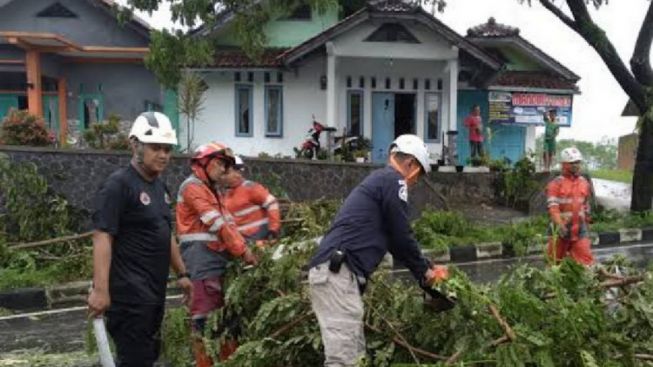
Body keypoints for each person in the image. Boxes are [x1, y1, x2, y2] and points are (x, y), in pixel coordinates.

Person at [307, 134, 450, 366]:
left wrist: (425, 269)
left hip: (339, 275)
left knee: (356, 357)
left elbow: (396, 241)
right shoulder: (393, 180)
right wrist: (425, 273)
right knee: (344, 361)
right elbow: (402, 234)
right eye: (418, 175)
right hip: (338, 273)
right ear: (410, 164)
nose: (415, 182)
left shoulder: (380, 181)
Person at [87, 111, 193, 367]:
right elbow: (102, 237)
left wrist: (182, 274)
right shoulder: (118, 186)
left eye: (167, 149)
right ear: (135, 145)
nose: (163, 155)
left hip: (153, 292)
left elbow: (164, 233)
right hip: (128, 296)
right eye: (156, 147)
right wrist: (101, 291)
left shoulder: (159, 187)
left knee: (148, 354)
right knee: (136, 358)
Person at [175, 142, 258, 367]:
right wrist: (244, 252)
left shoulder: (212, 190)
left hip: (217, 263)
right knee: (205, 326)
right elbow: (218, 225)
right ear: (205, 162)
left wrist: (250, 246)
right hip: (201, 266)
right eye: (221, 163)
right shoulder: (192, 188)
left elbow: (230, 225)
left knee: (226, 325)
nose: (224, 170)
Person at [546, 147, 594, 266]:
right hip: (560, 230)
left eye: (578, 162)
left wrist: (588, 223)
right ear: (564, 164)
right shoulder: (555, 184)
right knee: (554, 265)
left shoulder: (584, 183)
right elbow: (553, 208)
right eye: (573, 163)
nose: (576, 165)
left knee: (585, 263)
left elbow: (586, 205)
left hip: (579, 230)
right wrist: (559, 224)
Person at [222, 156, 281, 246]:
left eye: (225, 173)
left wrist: (273, 229)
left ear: (236, 172)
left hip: (258, 236)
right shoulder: (226, 193)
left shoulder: (251, 188)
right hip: (243, 240)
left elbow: (272, 204)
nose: (222, 177)